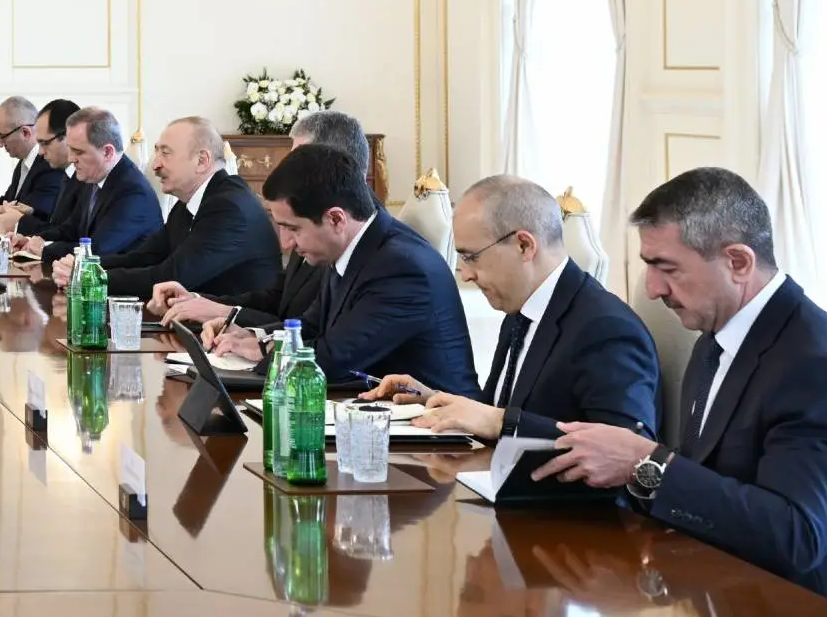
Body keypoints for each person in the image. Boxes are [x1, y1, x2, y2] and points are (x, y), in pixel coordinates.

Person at [528, 167, 827, 617]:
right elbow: (711, 489)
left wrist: (646, 463)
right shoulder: (715, 339)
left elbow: (796, 536)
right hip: (723, 591)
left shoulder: (819, 368)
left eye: (667, 268)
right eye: (649, 266)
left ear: (738, 262)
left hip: (816, 611)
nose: (652, 289)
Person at [358, 175, 658, 447]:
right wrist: (432, 399)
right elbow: (497, 412)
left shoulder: (605, 328)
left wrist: (501, 422)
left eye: (471, 257)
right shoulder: (522, 310)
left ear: (524, 246)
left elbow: (626, 452)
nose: (466, 274)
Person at [206, 143, 478, 399]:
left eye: (293, 228)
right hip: (375, 407)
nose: (286, 243)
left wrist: (263, 350)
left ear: (336, 219)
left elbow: (332, 359)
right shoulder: (353, 244)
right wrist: (253, 336)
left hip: (439, 425)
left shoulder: (401, 268)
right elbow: (311, 325)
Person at [150, 109, 371, 329]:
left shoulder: (366, 246)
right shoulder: (307, 220)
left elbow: (315, 333)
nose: (286, 243)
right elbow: (277, 300)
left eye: (301, 160)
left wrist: (225, 315)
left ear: (339, 167)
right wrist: (198, 302)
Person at [53, 116, 276, 302]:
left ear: (202, 161)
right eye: (157, 152)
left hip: (236, 333)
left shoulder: (229, 208)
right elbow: (145, 257)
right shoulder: (188, 202)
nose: (155, 165)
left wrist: (88, 278)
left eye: (166, 153)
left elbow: (173, 276)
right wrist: (85, 266)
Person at [23, 106, 160, 266]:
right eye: (70, 149)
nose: (71, 158)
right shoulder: (94, 176)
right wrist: (31, 241)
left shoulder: (133, 193)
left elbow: (96, 251)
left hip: (121, 279)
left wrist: (44, 249)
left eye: (78, 152)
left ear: (107, 152)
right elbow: (70, 230)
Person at [0, 98, 85, 253]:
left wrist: (20, 223)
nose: (41, 152)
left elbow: (90, 244)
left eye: (45, 143)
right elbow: (62, 229)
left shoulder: (66, 173)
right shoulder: (69, 174)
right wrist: (30, 230)